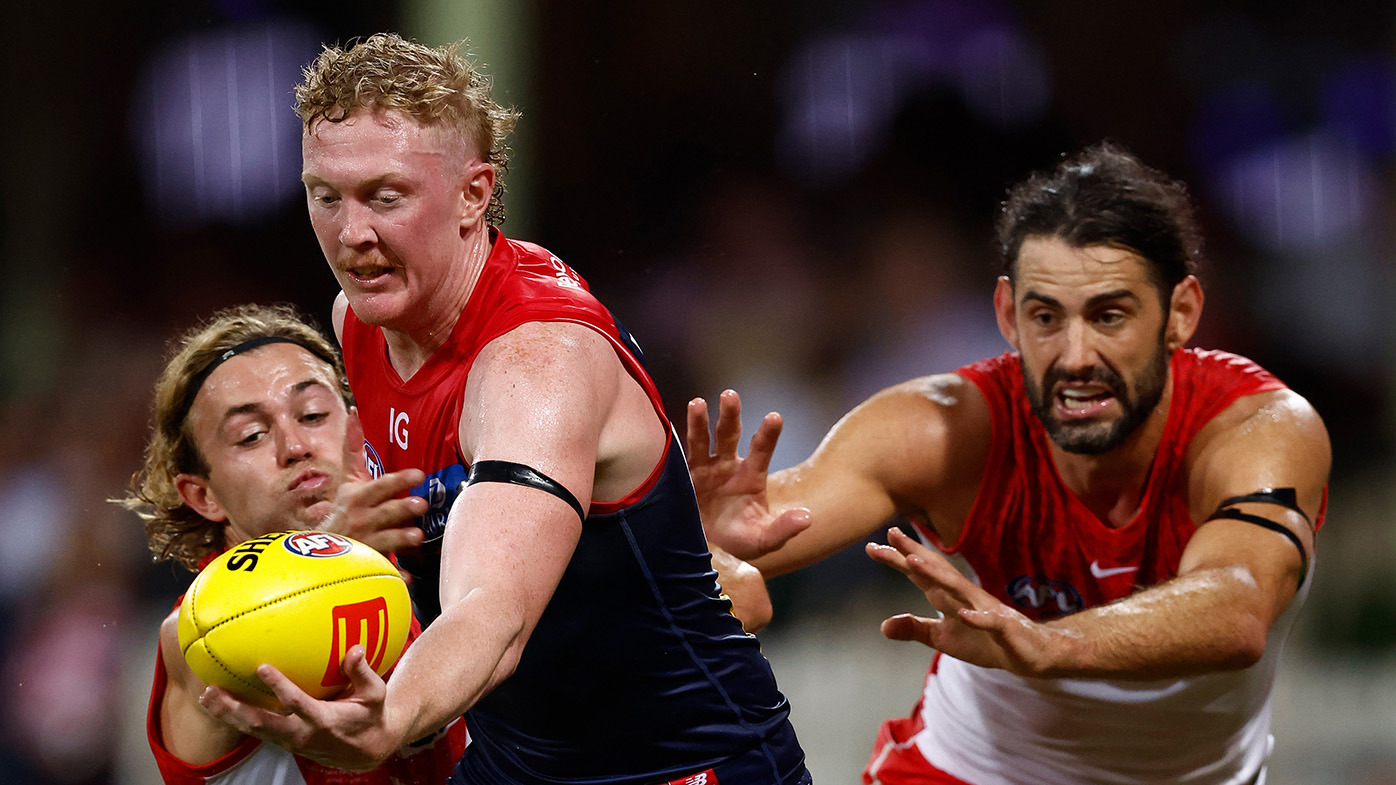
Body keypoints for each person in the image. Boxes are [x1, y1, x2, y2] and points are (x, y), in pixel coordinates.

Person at [199, 33, 807, 785]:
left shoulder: (534, 362)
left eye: (386, 197)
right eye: (327, 196)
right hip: (514, 764)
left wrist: (391, 718)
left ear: (474, 194)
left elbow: (494, 611)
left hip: (682, 764)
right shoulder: (360, 321)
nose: (352, 235)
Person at [687, 143, 1331, 785]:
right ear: (1006, 314)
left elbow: (1239, 607)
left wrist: (1049, 646)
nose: (1076, 355)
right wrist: (687, 538)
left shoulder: (1257, 429)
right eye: (1045, 316)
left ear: (1181, 313)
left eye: (1110, 316)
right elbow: (749, 533)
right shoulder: (940, 429)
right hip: (971, 770)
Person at [118, 303, 466, 784]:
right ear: (202, 495)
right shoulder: (201, 633)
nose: (295, 445)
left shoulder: (438, 558)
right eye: (252, 435)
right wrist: (329, 553)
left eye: (313, 413)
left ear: (356, 434)